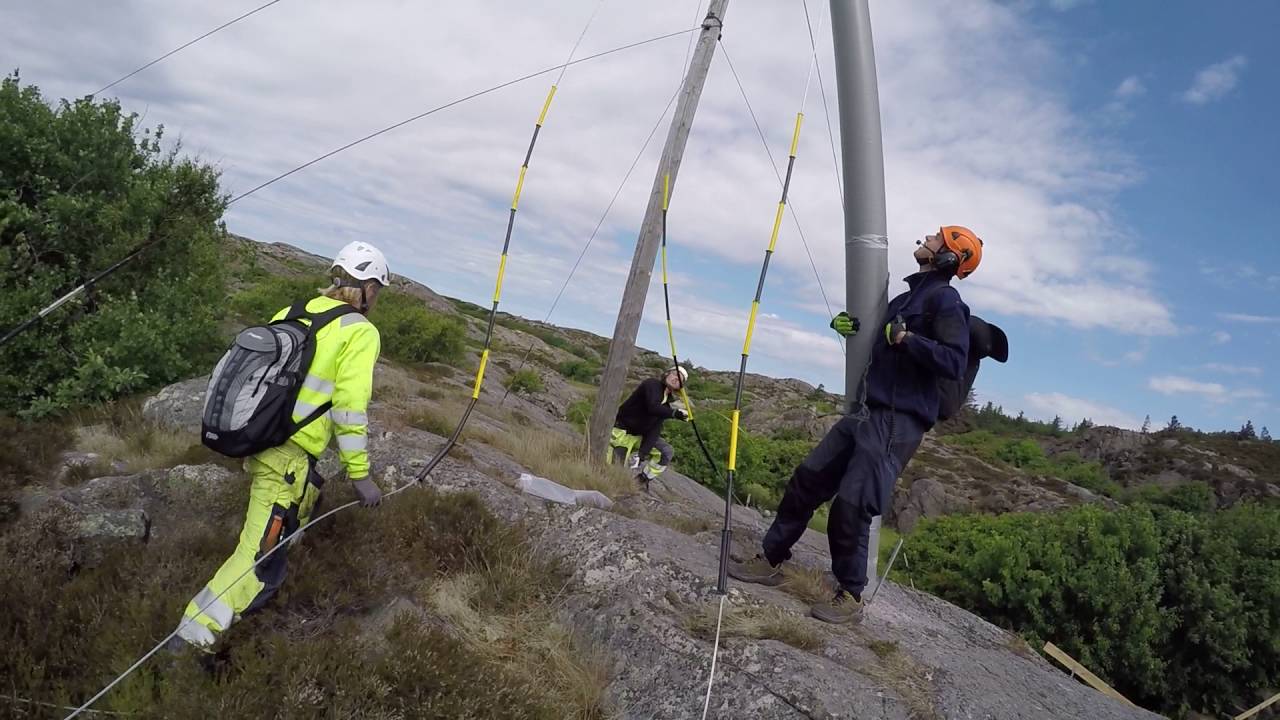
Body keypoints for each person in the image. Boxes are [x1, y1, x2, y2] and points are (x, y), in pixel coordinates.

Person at [728, 225, 983, 625]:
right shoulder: (905, 297)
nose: (926, 239)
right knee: (806, 481)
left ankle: (850, 596)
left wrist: (907, 339)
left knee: (851, 505)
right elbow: (880, 342)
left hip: (896, 423)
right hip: (865, 412)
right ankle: (771, 558)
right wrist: (853, 326)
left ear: (951, 258)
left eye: (936, 238)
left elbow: (952, 361)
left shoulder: (947, 302)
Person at [170, 241, 390, 651]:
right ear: (366, 287)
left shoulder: (293, 312)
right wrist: (360, 474)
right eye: (376, 287)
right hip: (287, 459)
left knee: (286, 530)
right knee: (256, 558)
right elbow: (349, 409)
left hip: (266, 445)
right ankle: (189, 642)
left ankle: (258, 625)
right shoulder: (360, 331)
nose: (376, 296)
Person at [612, 366, 690, 488]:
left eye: (681, 379)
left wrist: (642, 454)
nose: (676, 378)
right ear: (667, 374)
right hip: (621, 432)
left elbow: (654, 430)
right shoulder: (652, 384)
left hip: (638, 437)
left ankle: (642, 480)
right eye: (675, 374)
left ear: (680, 387)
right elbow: (652, 407)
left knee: (666, 452)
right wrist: (674, 413)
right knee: (613, 472)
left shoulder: (666, 404)